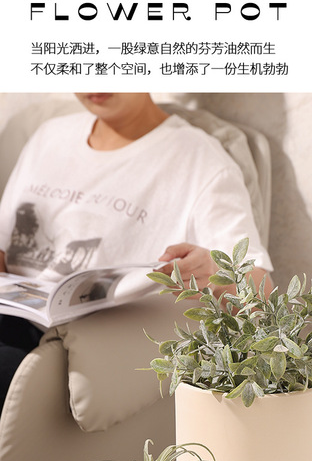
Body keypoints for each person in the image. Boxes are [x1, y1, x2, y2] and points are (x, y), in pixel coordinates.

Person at [0, 92, 273, 412]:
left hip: (80, 354)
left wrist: (216, 274)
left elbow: (262, 295)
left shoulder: (201, 160)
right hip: (14, 318)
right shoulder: (49, 136)